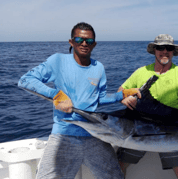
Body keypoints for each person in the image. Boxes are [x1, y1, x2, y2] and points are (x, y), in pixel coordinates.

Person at [18, 22, 140, 179]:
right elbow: (25, 80)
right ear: (71, 42)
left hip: (94, 133)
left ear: (94, 44)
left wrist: (121, 95)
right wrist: (56, 94)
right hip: (64, 135)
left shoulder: (99, 68)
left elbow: (99, 99)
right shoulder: (58, 61)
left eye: (89, 41)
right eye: (79, 39)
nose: (84, 44)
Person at [117, 34, 178, 179]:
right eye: (161, 47)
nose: (165, 51)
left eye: (169, 48)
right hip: (140, 129)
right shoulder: (141, 72)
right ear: (154, 50)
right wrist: (124, 98)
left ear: (173, 51)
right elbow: (120, 90)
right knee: (118, 165)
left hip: (169, 131)